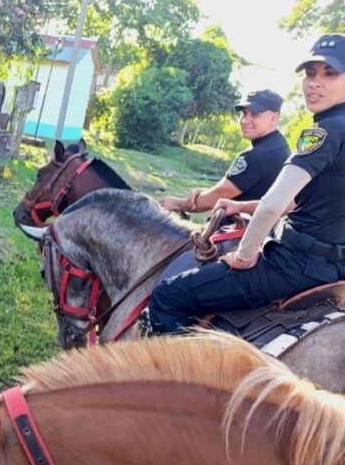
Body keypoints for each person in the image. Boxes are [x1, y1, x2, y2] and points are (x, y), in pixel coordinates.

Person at [147, 34, 345, 334]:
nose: (315, 83)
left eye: (330, 73)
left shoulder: (323, 131)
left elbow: (274, 205)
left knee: (168, 295)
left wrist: (244, 255)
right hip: (334, 264)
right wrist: (240, 206)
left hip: (295, 264)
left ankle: (174, 378)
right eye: (309, 73)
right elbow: (298, 201)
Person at [159, 89, 288, 213]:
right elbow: (242, 193)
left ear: (273, 118)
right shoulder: (278, 147)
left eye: (254, 115)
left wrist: (177, 204)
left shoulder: (258, 155)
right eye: (244, 114)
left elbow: (217, 196)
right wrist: (203, 193)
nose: (245, 121)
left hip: (244, 230)